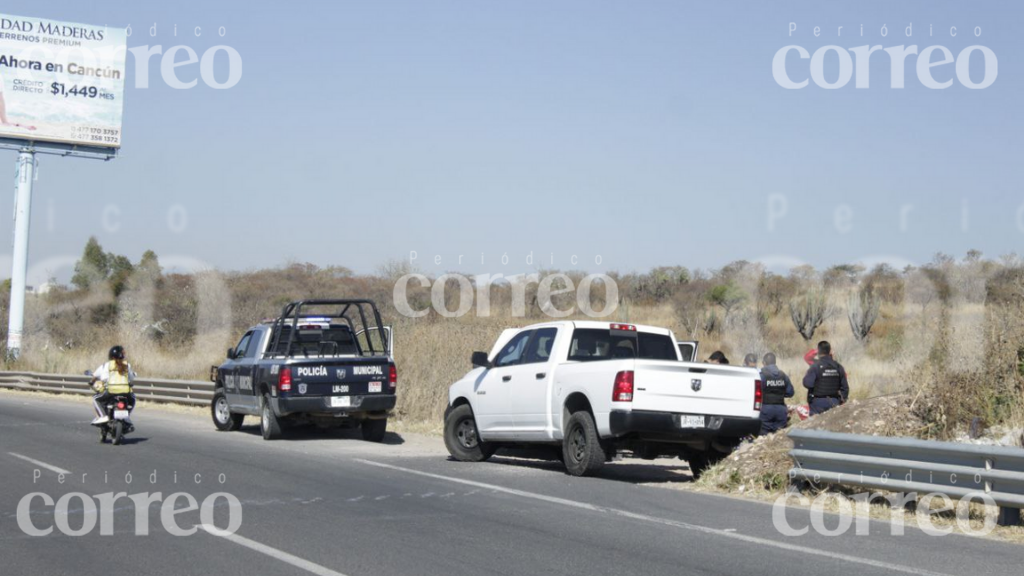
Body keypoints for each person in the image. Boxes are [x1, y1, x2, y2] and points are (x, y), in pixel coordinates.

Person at [90, 345, 136, 425]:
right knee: (133, 399)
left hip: (110, 391)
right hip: (125, 392)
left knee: (96, 399)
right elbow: (131, 378)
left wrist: (91, 381)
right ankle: (127, 416)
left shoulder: (105, 366)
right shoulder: (127, 366)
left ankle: (103, 416)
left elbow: (95, 376)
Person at [802, 340, 849, 416]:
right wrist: (841, 401)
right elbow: (845, 387)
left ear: (819, 352)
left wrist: (819, 349)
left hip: (817, 402)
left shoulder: (815, 366)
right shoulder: (838, 367)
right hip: (834, 401)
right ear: (830, 352)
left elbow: (807, 384)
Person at [759, 352, 794, 434]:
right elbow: (790, 393)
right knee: (779, 437)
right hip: (781, 410)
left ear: (764, 363)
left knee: (764, 438)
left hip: (766, 409)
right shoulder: (783, 375)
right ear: (775, 362)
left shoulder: (761, 375)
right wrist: (779, 393)